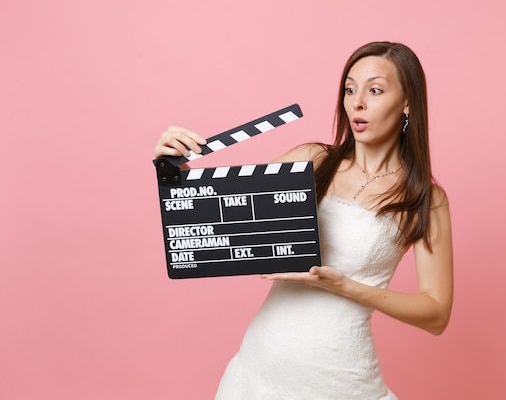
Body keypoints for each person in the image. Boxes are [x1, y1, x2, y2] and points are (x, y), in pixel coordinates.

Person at [154, 41, 454, 400]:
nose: (357, 102)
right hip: (257, 370)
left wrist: (344, 287)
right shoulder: (312, 161)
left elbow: (436, 314)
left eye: (375, 90)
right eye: (349, 88)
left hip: (341, 381)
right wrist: (175, 168)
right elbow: (220, 218)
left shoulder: (424, 200)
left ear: (407, 103)